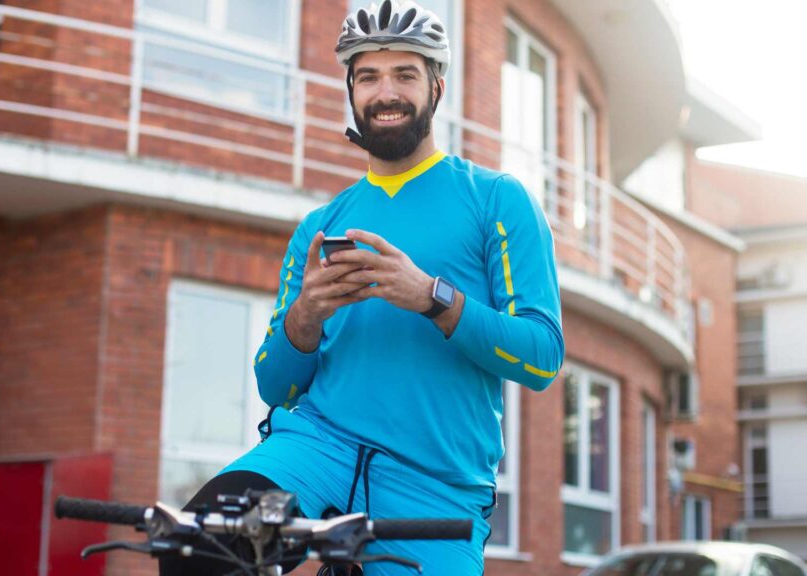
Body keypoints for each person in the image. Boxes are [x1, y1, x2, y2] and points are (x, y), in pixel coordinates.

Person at [160, 1, 564, 574]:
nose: (385, 92)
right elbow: (275, 386)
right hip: (318, 449)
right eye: (368, 76)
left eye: (405, 74)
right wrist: (305, 315)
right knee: (201, 547)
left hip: (435, 484)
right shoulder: (318, 227)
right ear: (351, 92)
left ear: (437, 89)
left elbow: (542, 358)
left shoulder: (496, 199)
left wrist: (433, 297)